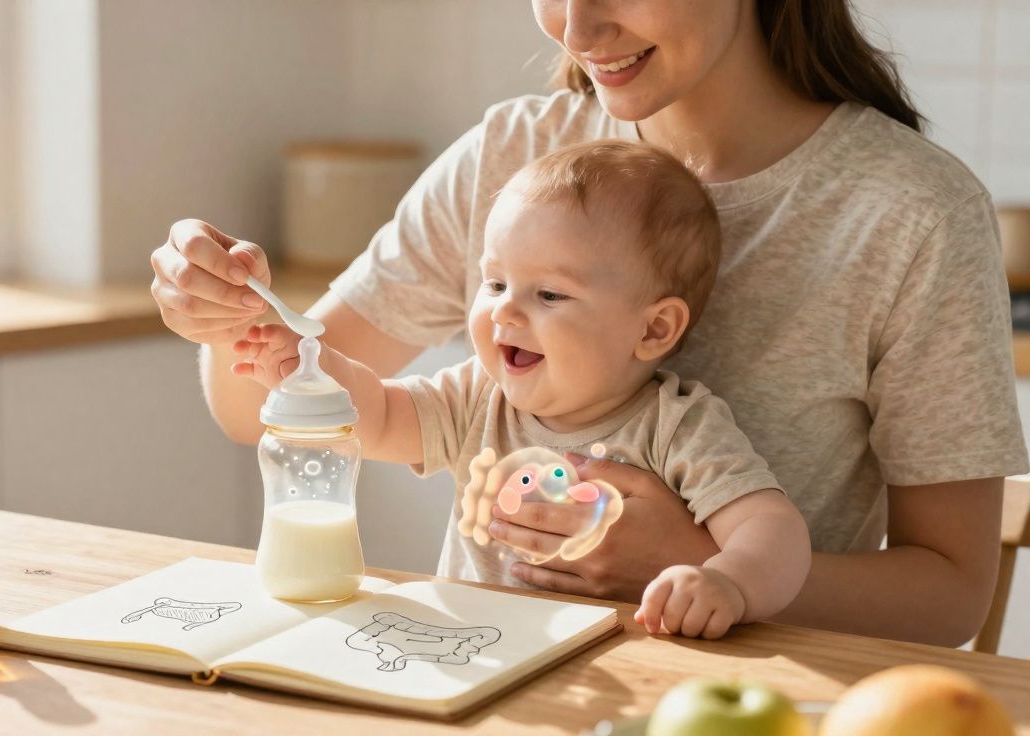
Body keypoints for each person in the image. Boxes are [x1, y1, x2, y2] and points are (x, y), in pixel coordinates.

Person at [150, 0, 1027, 645]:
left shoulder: (909, 212)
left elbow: (949, 595)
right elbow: (260, 408)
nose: (574, 28)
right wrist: (225, 310)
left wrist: (688, 564)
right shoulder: (514, 159)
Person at [232, 141, 811, 639]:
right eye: (495, 282)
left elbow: (774, 530)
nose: (505, 309)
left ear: (653, 328)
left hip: (622, 672)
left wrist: (727, 582)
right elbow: (379, 414)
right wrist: (310, 365)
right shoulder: (478, 396)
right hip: (477, 655)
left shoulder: (678, 427)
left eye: (550, 295)